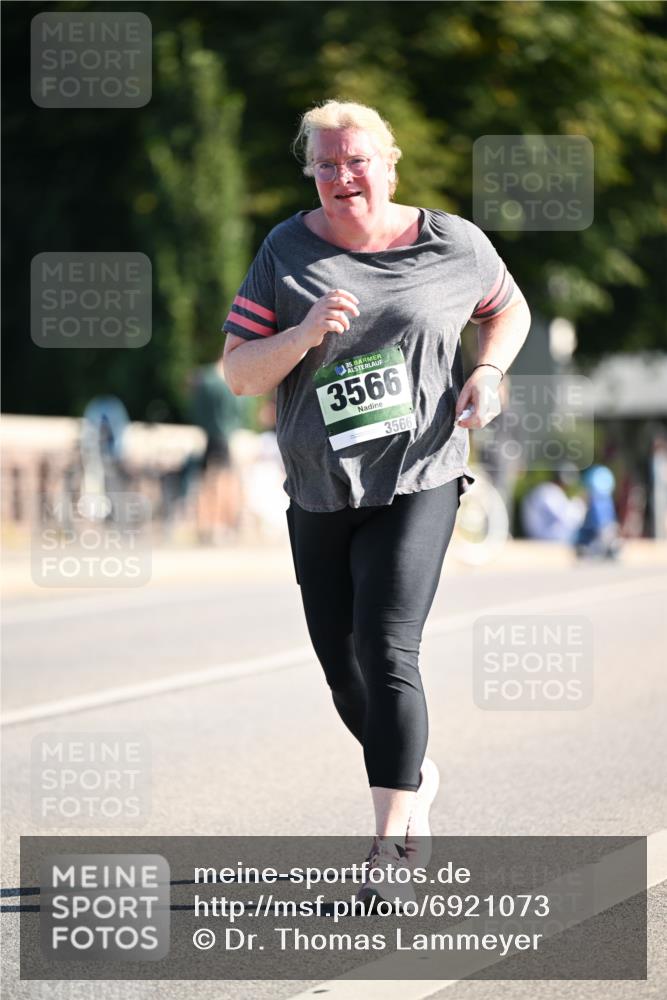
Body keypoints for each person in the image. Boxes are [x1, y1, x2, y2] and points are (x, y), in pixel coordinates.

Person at [222, 100, 531, 908]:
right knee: (344, 672)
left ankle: (390, 847)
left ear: (389, 164)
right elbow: (238, 372)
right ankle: (411, 773)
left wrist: (489, 373)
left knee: (387, 647)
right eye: (324, 164)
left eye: (355, 161)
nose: (340, 177)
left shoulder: (452, 243)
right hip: (319, 488)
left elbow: (508, 308)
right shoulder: (285, 251)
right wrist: (304, 334)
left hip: (418, 474)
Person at [188, 360, 244, 544]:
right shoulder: (225, 382)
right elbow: (236, 413)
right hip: (224, 437)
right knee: (223, 482)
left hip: (208, 437)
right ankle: (222, 526)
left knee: (205, 483)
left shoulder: (204, 380)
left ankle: (205, 526)